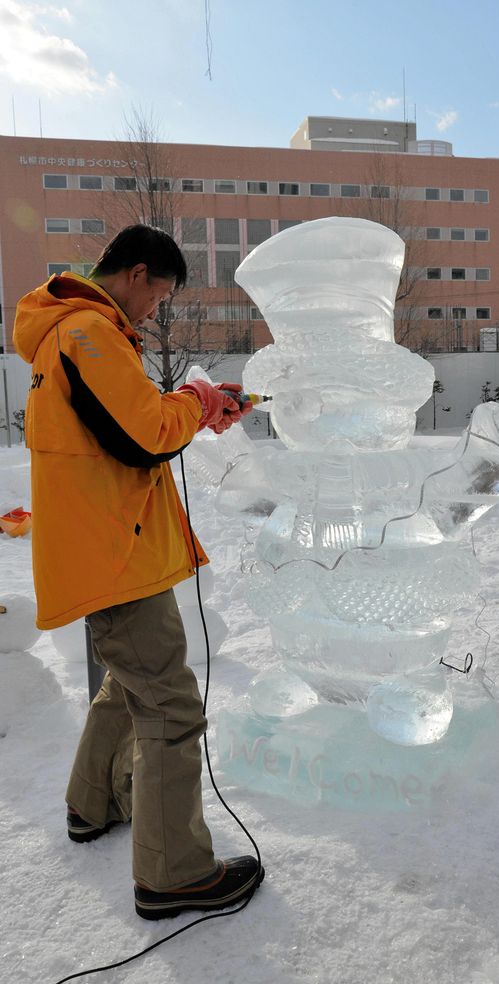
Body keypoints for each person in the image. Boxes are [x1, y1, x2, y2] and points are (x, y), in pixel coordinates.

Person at [13, 224, 264, 920]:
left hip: (107, 546)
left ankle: (92, 804)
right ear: (138, 273)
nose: (156, 311)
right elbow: (144, 435)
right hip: (113, 554)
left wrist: (197, 412)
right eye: (161, 295)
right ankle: (174, 874)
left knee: (131, 685)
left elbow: (128, 432)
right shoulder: (89, 333)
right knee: (171, 705)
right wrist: (199, 401)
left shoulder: (68, 332)